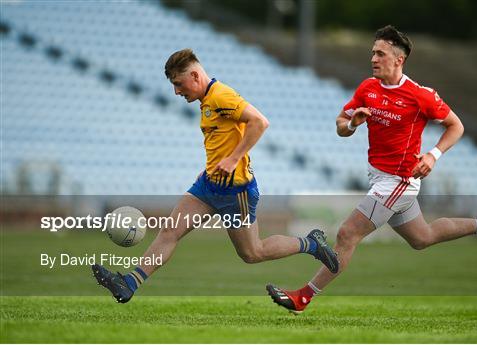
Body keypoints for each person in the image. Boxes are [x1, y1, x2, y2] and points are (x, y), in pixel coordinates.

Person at [266, 25, 477, 314]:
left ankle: (303, 297)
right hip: (379, 178)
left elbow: (457, 126)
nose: (373, 59)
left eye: (380, 53)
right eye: (372, 53)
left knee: (347, 234)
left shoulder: (420, 95)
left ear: (398, 60)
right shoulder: (368, 88)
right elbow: (341, 124)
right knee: (422, 238)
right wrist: (353, 124)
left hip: (400, 180)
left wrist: (433, 155)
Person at [91, 49, 338, 303]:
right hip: (208, 185)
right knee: (170, 231)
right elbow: (222, 139)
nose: (176, 91)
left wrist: (232, 159)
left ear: (195, 76)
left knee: (252, 252)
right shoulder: (207, 101)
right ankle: (129, 283)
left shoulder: (221, 96)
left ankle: (311, 244)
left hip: (236, 192)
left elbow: (260, 122)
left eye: (178, 83)